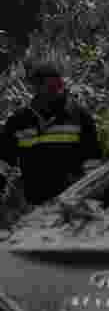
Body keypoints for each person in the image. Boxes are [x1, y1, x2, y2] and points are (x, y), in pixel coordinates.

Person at [0, 62, 101, 205]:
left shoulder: (80, 117)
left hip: (72, 203)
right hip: (33, 205)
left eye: (59, 86)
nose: (57, 92)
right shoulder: (18, 122)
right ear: (35, 87)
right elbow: (4, 162)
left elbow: (92, 162)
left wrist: (92, 198)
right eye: (50, 87)